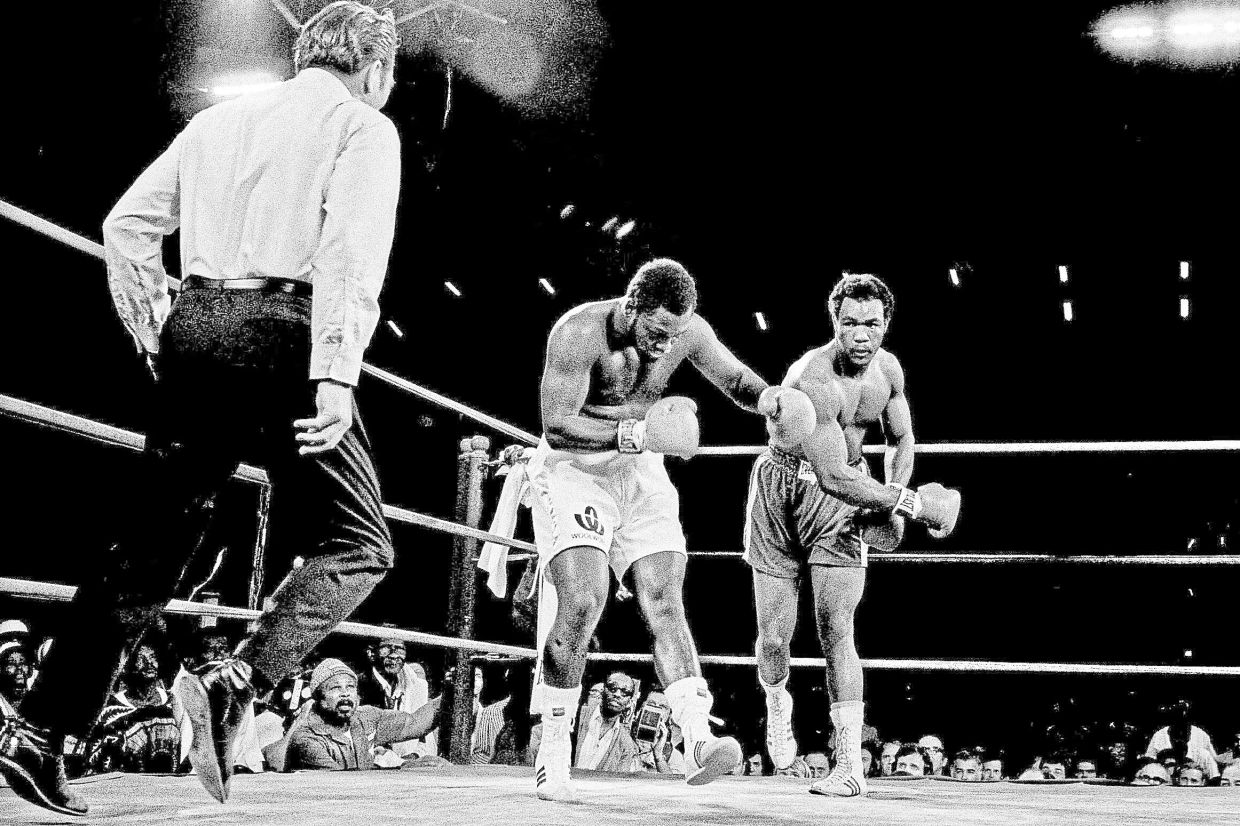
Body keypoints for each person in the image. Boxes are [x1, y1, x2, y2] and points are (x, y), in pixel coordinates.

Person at [0, 3, 403, 816]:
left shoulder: (221, 120)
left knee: (151, 543)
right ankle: (238, 678)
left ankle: (38, 732)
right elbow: (350, 249)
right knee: (359, 540)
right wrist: (337, 370)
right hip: (287, 332)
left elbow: (127, 226)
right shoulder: (362, 125)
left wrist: (156, 333)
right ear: (375, 69)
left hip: (199, 326)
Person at [528, 258, 775, 801]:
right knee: (583, 601)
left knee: (664, 600)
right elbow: (556, 423)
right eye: (657, 333)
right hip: (574, 470)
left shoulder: (686, 331)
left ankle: (694, 736)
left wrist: (772, 401)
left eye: (674, 335)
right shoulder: (578, 333)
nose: (666, 347)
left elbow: (733, 379)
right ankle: (552, 750)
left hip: (641, 472)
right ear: (631, 307)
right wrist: (638, 434)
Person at [744, 273, 960, 798]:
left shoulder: (889, 370)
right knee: (774, 637)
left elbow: (903, 436)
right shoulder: (812, 378)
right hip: (784, 490)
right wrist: (913, 506)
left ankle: (848, 767)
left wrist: (894, 493)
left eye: (871, 323)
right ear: (833, 323)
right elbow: (833, 473)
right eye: (849, 323)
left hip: (845, 499)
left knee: (836, 628)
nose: (861, 334)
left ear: (886, 323)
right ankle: (778, 703)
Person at [284, 659, 440, 771]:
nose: (345, 694)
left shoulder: (364, 717)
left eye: (350, 687)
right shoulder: (307, 739)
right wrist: (406, 766)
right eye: (335, 688)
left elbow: (415, 723)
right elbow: (344, 787)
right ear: (319, 698)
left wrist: (454, 690)